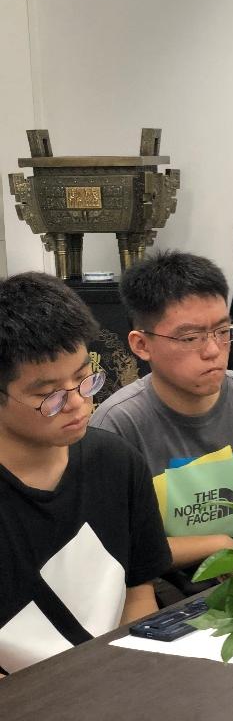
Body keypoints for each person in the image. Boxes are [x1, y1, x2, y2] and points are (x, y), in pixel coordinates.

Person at [90, 251, 233, 581]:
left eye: (223, 331)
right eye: (190, 338)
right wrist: (219, 545)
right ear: (142, 345)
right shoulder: (117, 425)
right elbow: (115, 551)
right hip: (156, 590)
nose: (213, 351)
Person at [0, 273, 170, 674]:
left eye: (83, 378)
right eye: (50, 395)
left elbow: (138, 591)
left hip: (115, 680)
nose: (77, 403)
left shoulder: (115, 461)